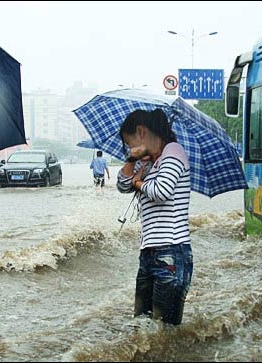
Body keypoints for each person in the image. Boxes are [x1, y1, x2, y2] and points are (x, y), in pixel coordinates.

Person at [116, 108, 192, 326]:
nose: (130, 148)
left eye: (129, 143)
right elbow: (122, 185)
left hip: (171, 251)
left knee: (164, 329)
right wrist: (133, 158)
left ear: (141, 131)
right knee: (142, 324)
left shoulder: (173, 152)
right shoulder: (149, 162)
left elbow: (162, 191)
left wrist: (139, 183)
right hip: (149, 253)